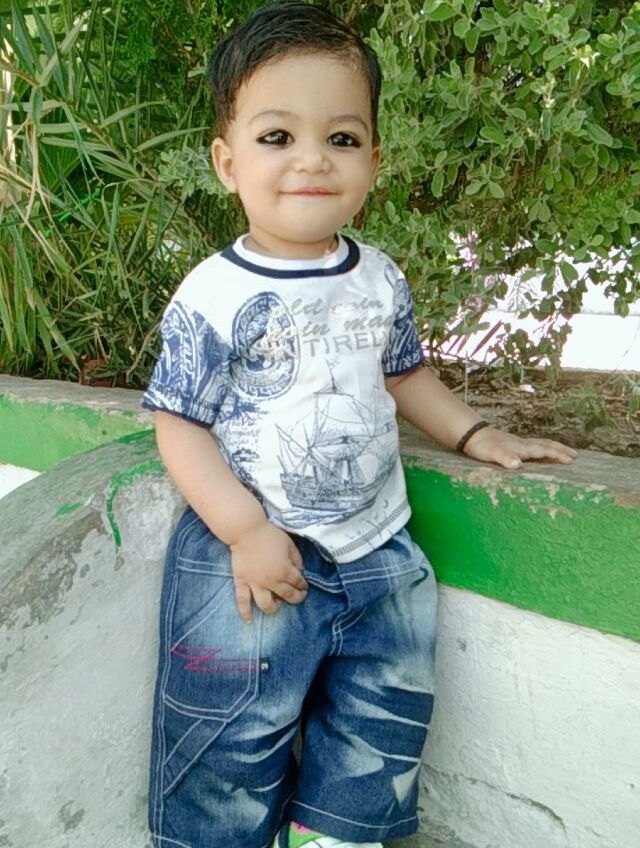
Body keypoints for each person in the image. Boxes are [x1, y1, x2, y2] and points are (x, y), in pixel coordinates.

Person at [141, 4, 576, 847]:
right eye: (277, 137)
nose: (312, 158)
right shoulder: (214, 294)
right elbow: (178, 425)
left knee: (382, 722)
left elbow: (403, 373)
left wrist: (475, 434)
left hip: (380, 549)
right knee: (226, 741)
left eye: (341, 138)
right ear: (227, 163)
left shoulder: (378, 277)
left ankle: (338, 835)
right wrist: (243, 529)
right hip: (253, 563)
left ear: (373, 161)